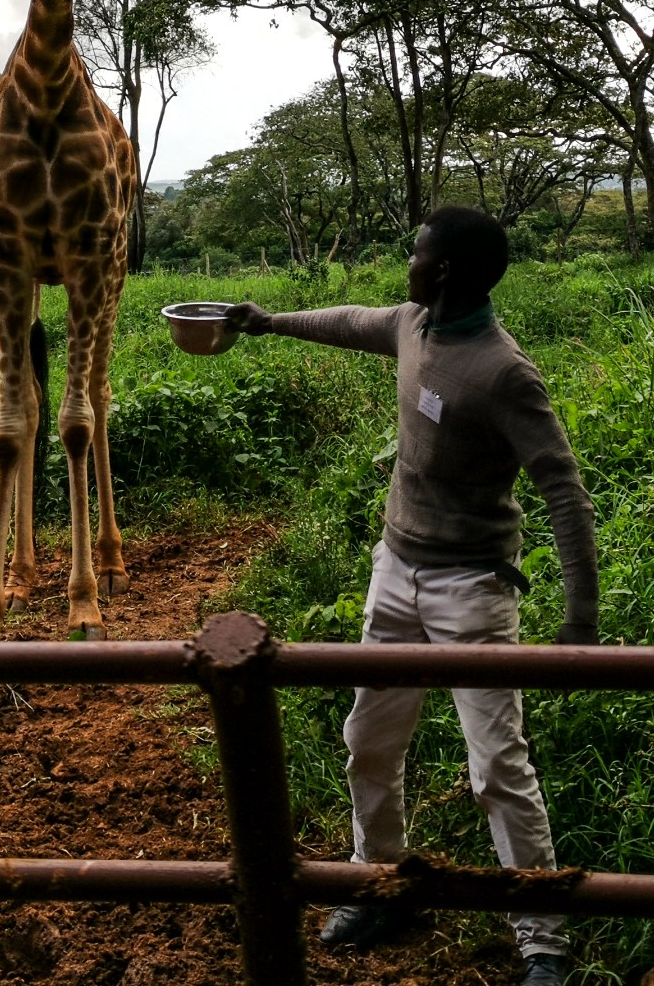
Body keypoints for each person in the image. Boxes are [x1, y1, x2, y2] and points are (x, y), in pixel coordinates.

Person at [225, 206, 598, 986]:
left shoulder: (504, 371)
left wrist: (580, 618)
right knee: (369, 740)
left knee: (497, 767)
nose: (408, 261)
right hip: (394, 573)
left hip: (473, 589)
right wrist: (266, 321)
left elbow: (562, 489)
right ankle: (379, 881)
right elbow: (351, 319)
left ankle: (542, 940)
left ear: (446, 271)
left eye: (416, 253)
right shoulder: (411, 323)